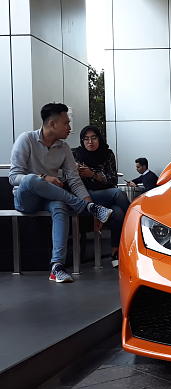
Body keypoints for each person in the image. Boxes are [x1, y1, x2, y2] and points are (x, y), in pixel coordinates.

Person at [9, 103, 113, 283]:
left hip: (50, 197)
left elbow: (74, 180)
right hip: (26, 199)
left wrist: (89, 201)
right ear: (52, 124)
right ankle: (86, 207)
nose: (70, 128)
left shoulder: (64, 148)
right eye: (66, 123)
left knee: (59, 206)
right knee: (31, 179)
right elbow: (14, 177)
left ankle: (56, 266)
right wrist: (44, 177)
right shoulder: (26, 139)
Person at [72, 125, 130, 268]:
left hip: (105, 196)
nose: (90, 142)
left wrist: (93, 174)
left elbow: (113, 180)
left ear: (99, 138)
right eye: (86, 139)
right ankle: (135, 227)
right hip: (85, 195)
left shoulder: (108, 154)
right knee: (119, 193)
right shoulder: (75, 154)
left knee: (117, 213)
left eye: (93, 138)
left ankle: (115, 252)